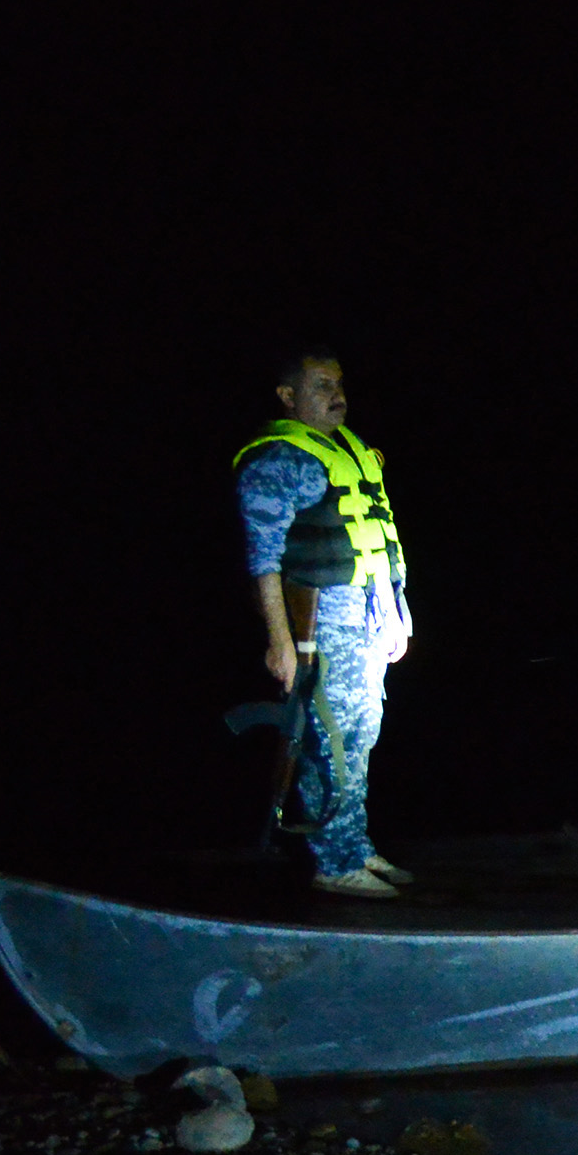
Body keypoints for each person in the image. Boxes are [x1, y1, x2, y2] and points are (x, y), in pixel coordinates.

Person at [234, 348, 417, 896]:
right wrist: (280, 642)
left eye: (338, 383)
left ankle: (352, 846)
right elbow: (262, 558)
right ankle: (336, 865)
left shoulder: (351, 450)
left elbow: (378, 539)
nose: (336, 394)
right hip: (321, 619)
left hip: (369, 611)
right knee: (333, 741)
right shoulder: (277, 459)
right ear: (288, 397)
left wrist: (396, 613)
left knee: (359, 735)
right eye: (319, 386)